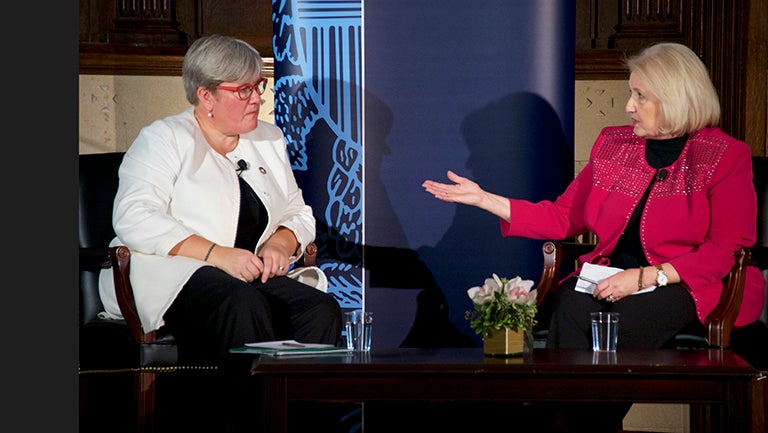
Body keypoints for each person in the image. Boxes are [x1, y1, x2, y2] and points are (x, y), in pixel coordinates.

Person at [422, 42, 765, 433]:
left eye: (640, 96)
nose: (628, 107)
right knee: (569, 307)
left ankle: (576, 425)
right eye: (630, 94)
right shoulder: (613, 146)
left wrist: (645, 277)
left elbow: (728, 248)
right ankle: (567, 423)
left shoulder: (724, 155)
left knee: (620, 317)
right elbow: (566, 216)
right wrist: (487, 200)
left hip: (684, 282)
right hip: (608, 277)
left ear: (675, 99)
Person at [97, 34, 342, 365]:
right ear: (206, 96)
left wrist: (282, 244)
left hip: (244, 274)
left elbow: (298, 212)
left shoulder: (268, 138)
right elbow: (134, 216)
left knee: (319, 307)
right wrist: (217, 255)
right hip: (171, 275)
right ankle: (245, 414)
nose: (256, 98)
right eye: (243, 90)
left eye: (258, 85)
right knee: (240, 302)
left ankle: (298, 414)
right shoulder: (164, 138)